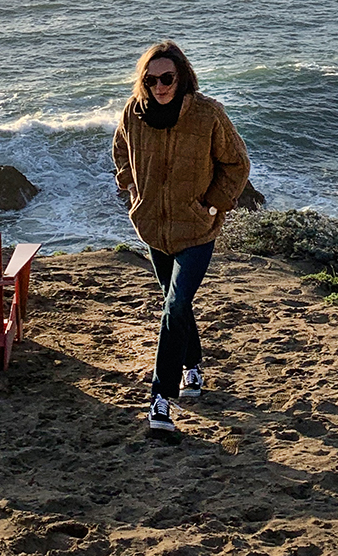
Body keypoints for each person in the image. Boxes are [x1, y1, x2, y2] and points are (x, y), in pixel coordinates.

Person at [112, 40, 250, 435]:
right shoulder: (134, 114)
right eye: (151, 79)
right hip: (154, 226)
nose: (160, 86)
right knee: (178, 303)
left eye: (167, 77)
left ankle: (160, 397)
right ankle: (193, 366)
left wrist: (212, 205)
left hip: (196, 229)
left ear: (181, 76)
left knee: (174, 304)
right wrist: (133, 188)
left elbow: (237, 163)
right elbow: (120, 151)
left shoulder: (207, 115)